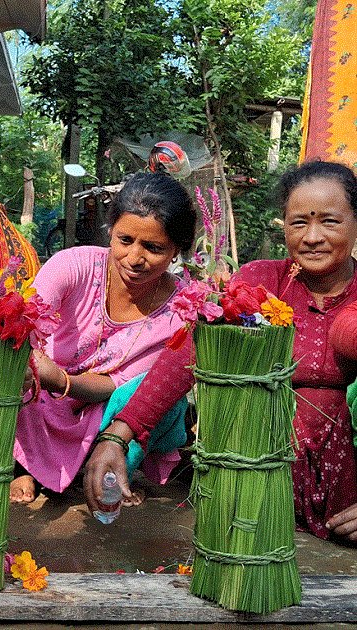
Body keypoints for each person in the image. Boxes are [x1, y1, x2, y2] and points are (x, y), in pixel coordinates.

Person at [85, 160, 357, 542]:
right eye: (298, 222)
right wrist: (119, 434)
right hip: (248, 478)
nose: (312, 237)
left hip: (339, 489)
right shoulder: (261, 283)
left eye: (329, 221)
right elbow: (185, 356)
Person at [10, 172, 198, 504]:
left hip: (104, 417)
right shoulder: (73, 266)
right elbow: (25, 325)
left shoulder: (181, 311)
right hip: (36, 398)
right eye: (125, 240)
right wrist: (34, 371)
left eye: (153, 248)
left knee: (159, 396)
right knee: (5, 362)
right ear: (111, 232)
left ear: (177, 251)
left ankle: (100, 470)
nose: (134, 258)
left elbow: (120, 387)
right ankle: (21, 464)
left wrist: (63, 381)